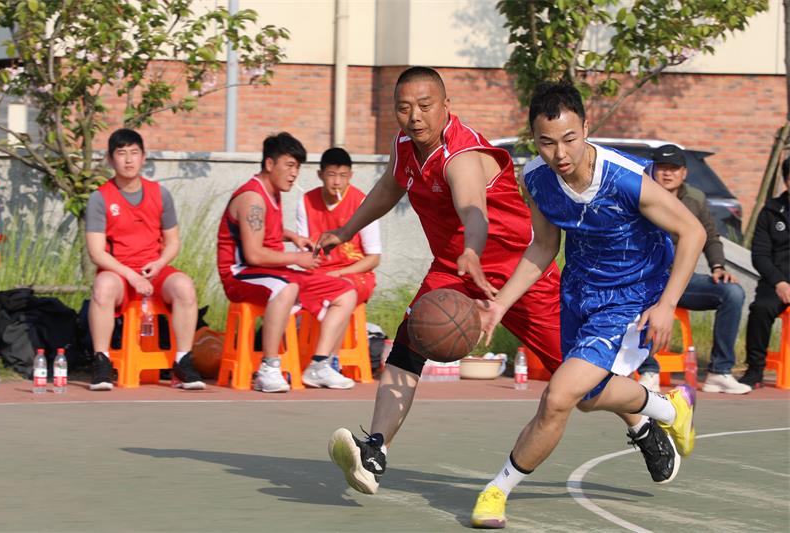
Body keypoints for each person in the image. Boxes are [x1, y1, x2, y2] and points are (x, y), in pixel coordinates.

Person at [469, 81, 706, 528]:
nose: (560, 153)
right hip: (579, 293)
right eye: (547, 142)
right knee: (587, 397)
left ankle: (496, 490)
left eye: (569, 139)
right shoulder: (536, 179)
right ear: (533, 139)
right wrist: (499, 305)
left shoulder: (624, 178)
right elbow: (544, 246)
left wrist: (666, 304)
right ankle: (668, 408)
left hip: (632, 296)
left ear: (586, 128)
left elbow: (692, 231)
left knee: (559, 396)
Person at [321, 66, 564, 495]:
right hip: (454, 267)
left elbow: (473, 209)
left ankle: (646, 418)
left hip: (519, 271)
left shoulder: (460, 154)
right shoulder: (404, 146)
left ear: (446, 106)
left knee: (579, 375)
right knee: (409, 343)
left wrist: (472, 247)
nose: (414, 116)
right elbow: (388, 189)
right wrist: (345, 230)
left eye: (424, 106)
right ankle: (375, 450)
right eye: (404, 108)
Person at [217, 132, 358, 392]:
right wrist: (298, 258)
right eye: (290, 165)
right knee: (286, 288)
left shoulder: (272, 192)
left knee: (346, 292)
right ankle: (268, 368)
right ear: (270, 164)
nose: (294, 174)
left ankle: (320, 365)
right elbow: (254, 254)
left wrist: (292, 236)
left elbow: (262, 228)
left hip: (271, 272)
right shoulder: (252, 198)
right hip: (241, 274)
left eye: (298, 167)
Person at [85, 128, 204, 391]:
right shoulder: (99, 198)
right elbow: (96, 253)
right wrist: (130, 275)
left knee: (184, 286)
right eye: (121, 153)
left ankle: (183, 361)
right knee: (102, 286)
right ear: (110, 159)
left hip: (154, 269)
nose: (128, 160)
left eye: (134, 153)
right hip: (119, 273)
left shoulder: (160, 194)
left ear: (144, 157)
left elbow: (173, 242)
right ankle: (101, 362)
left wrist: (159, 264)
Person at [636, 144, 749, 394]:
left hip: (682, 281)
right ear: (653, 169)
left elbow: (710, 236)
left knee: (732, 292)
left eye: (673, 168)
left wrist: (718, 267)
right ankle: (649, 370)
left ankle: (719, 372)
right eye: (662, 167)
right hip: (649, 280)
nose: (667, 173)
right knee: (638, 295)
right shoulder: (640, 194)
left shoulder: (695, 198)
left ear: (684, 173)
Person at [296, 147, 381, 305]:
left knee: (339, 291)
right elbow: (303, 252)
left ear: (350, 176)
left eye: (343, 175)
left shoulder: (362, 203)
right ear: (320, 175)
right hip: (318, 273)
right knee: (288, 290)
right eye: (331, 175)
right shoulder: (305, 202)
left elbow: (374, 258)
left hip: (354, 274)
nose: (337, 182)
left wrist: (339, 273)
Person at [740, 157, 790, 387]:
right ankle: (755, 369)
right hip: (776, 282)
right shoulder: (770, 211)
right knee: (761, 309)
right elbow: (759, 255)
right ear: (786, 182)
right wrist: (779, 282)